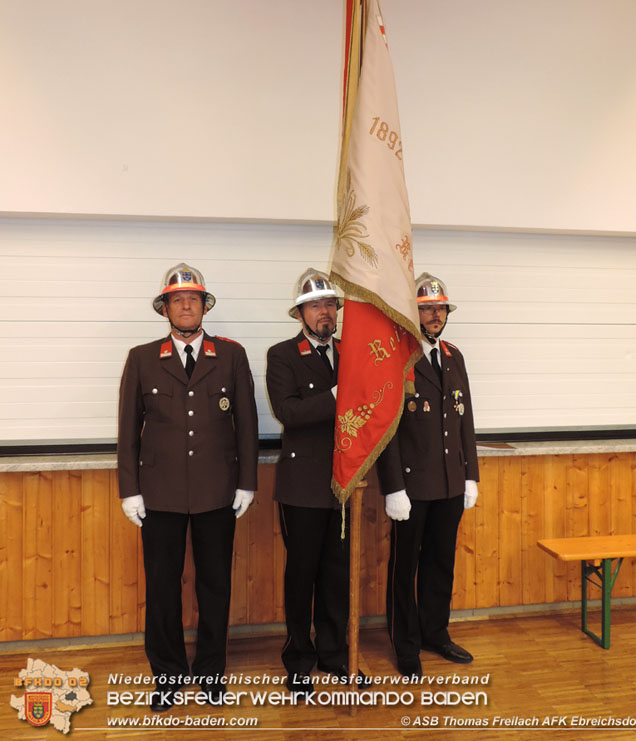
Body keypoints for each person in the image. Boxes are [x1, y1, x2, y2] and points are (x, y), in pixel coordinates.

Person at [117, 263, 258, 712]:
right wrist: (129, 489)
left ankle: (212, 674)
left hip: (218, 490)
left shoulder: (232, 355)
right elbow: (127, 429)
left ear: (203, 306)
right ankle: (168, 674)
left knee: (215, 585)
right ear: (165, 308)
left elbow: (248, 425)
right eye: (177, 300)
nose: (185, 305)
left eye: (193, 299)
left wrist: (247, 483)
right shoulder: (141, 357)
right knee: (162, 587)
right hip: (159, 494)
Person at [266, 269, 368, 696]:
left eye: (329, 305)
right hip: (303, 485)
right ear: (300, 313)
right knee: (302, 575)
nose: (324, 312)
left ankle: (334, 654)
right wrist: (335, 395)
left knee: (336, 574)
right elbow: (287, 412)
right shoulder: (283, 355)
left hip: (346, 483)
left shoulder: (355, 354)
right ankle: (299, 659)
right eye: (315, 306)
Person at [377, 273, 479, 677]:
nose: (434, 315)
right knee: (405, 567)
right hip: (412, 485)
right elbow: (386, 428)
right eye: (426, 309)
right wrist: (393, 487)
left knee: (441, 562)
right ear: (412, 312)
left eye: (439, 309)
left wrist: (471, 474)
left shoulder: (454, 356)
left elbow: (464, 419)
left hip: (450, 482)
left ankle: (436, 633)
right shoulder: (396, 356)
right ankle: (406, 645)